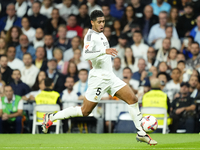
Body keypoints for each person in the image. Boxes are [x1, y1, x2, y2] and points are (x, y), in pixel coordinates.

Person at [41, 10, 157, 145]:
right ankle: (51, 117)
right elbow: (86, 55)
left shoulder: (101, 35)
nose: (102, 24)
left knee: (133, 99)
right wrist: (105, 51)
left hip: (110, 77)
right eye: (99, 22)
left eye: (103, 21)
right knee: (85, 111)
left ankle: (141, 132)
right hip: (99, 79)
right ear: (92, 22)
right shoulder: (90, 36)